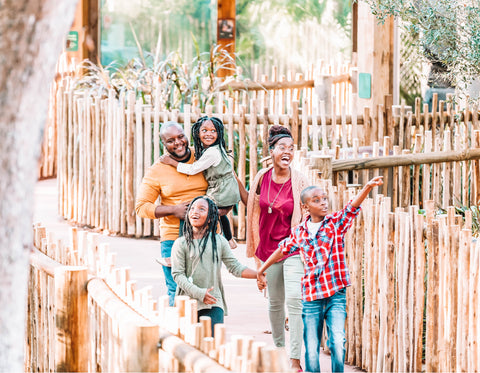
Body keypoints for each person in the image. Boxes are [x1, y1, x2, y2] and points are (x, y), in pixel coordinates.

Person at [257, 177, 384, 373]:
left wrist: (367, 187)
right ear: (305, 206)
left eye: (324, 198)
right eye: (316, 200)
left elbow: (351, 208)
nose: (323, 202)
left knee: (338, 343)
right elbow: (282, 250)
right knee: (312, 348)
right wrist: (262, 269)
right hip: (311, 297)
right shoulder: (299, 232)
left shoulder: (335, 224)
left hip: (335, 295)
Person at [246, 125, 309, 372]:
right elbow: (253, 216)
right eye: (282, 147)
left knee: (294, 299)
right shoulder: (261, 177)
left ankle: (294, 359)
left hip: (292, 249)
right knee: (275, 302)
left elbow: (307, 215)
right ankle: (279, 348)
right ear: (271, 150)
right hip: (268, 251)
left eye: (291, 148)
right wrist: (258, 264)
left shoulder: (301, 180)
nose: (287, 152)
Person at [135, 121, 208, 306]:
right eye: (170, 140)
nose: (178, 142)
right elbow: (141, 207)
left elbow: (228, 182)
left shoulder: (203, 158)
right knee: (176, 291)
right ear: (164, 144)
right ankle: (178, 333)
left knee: (207, 289)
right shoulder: (157, 170)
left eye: (180, 136)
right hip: (173, 237)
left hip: (206, 235)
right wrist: (173, 210)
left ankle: (206, 332)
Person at [171, 196, 264, 335]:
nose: (195, 211)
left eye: (201, 209)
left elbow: (235, 267)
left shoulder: (219, 241)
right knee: (188, 346)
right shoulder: (181, 243)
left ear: (210, 218)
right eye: (192, 208)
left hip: (213, 302)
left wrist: (258, 274)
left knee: (212, 344)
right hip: (186, 302)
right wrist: (199, 293)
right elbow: (177, 275)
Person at [160, 116, 241, 250]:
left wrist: (172, 162)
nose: (208, 134)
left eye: (213, 131)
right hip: (226, 189)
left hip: (221, 190)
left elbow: (193, 169)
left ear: (219, 133)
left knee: (193, 211)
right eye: (204, 130)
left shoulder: (212, 153)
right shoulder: (213, 149)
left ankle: (183, 246)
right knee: (219, 213)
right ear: (197, 132)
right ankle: (229, 239)